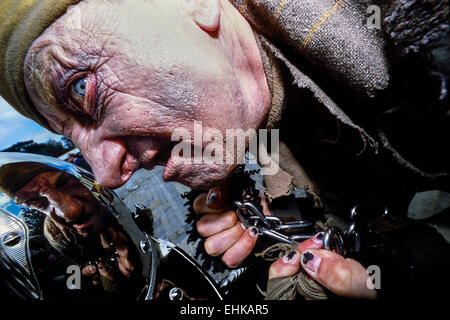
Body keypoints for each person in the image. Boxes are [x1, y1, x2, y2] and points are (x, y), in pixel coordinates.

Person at [1, 0, 448, 299]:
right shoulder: (254, 116)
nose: (106, 176)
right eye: (72, 137)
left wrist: (429, 267)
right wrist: (286, 222)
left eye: (81, 88)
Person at [0, 162, 137, 293]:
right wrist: (84, 279)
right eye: (34, 201)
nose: (71, 211)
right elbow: (72, 279)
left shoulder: (102, 195)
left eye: (65, 183)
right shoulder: (53, 234)